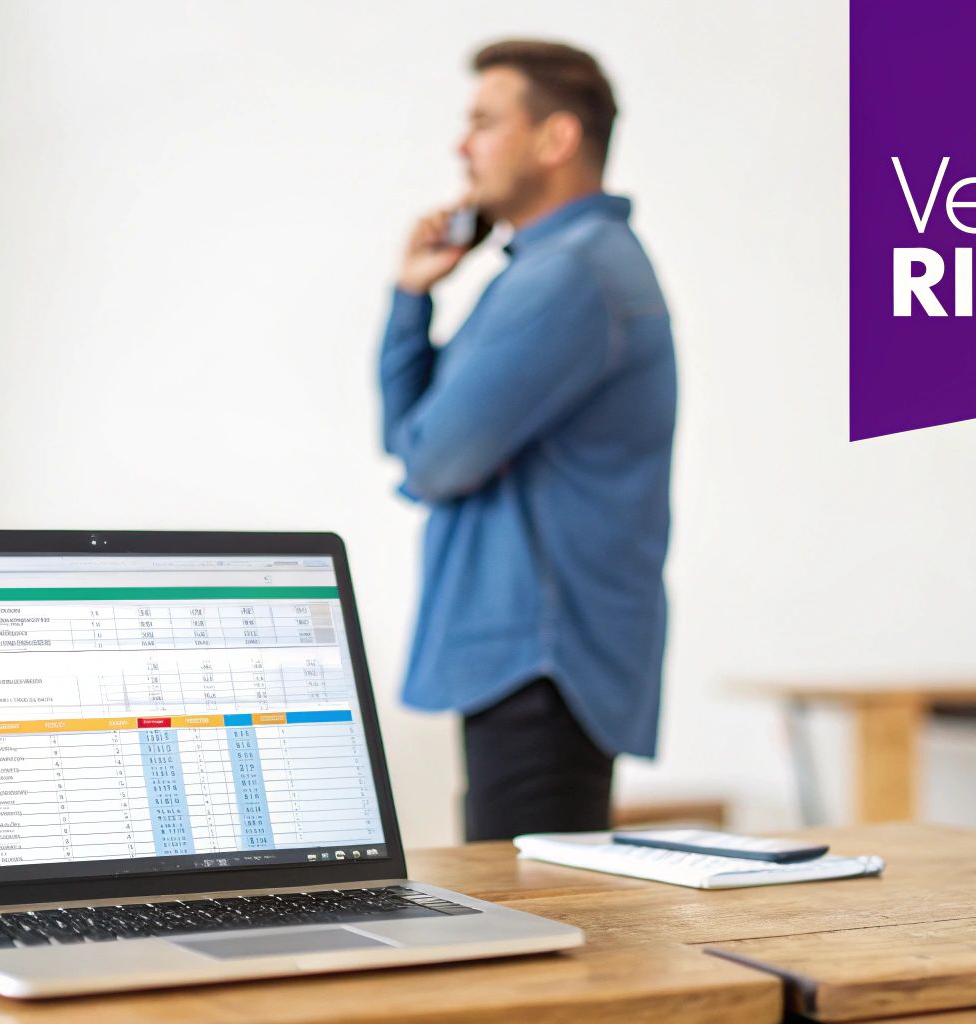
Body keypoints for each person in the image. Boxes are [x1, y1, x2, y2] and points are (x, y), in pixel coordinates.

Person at [378, 39, 676, 841]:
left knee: (534, 941)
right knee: (529, 923)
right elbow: (419, 442)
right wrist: (414, 296)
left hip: (541, 663)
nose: (461, 146)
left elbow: (432, 458)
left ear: (556, 138)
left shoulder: (568, 278)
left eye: (483, 121)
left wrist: (429, 453)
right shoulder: (547, 271)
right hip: (535, 664)